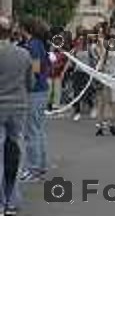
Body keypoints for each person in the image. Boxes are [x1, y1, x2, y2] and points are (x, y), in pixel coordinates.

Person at [0, 16, 32, 215]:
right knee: (15, 153)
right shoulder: (24, 54)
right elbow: (30, 82)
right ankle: (12, 199)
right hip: (18, 107)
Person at [19, 17, 51, 183]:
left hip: (34, 91)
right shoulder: (40, 44)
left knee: (31, 131)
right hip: (42, 89)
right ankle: (41, 164)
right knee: (38, 129)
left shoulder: (32, 46)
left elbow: (35, 69)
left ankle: (33, 168)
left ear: (26, 29)